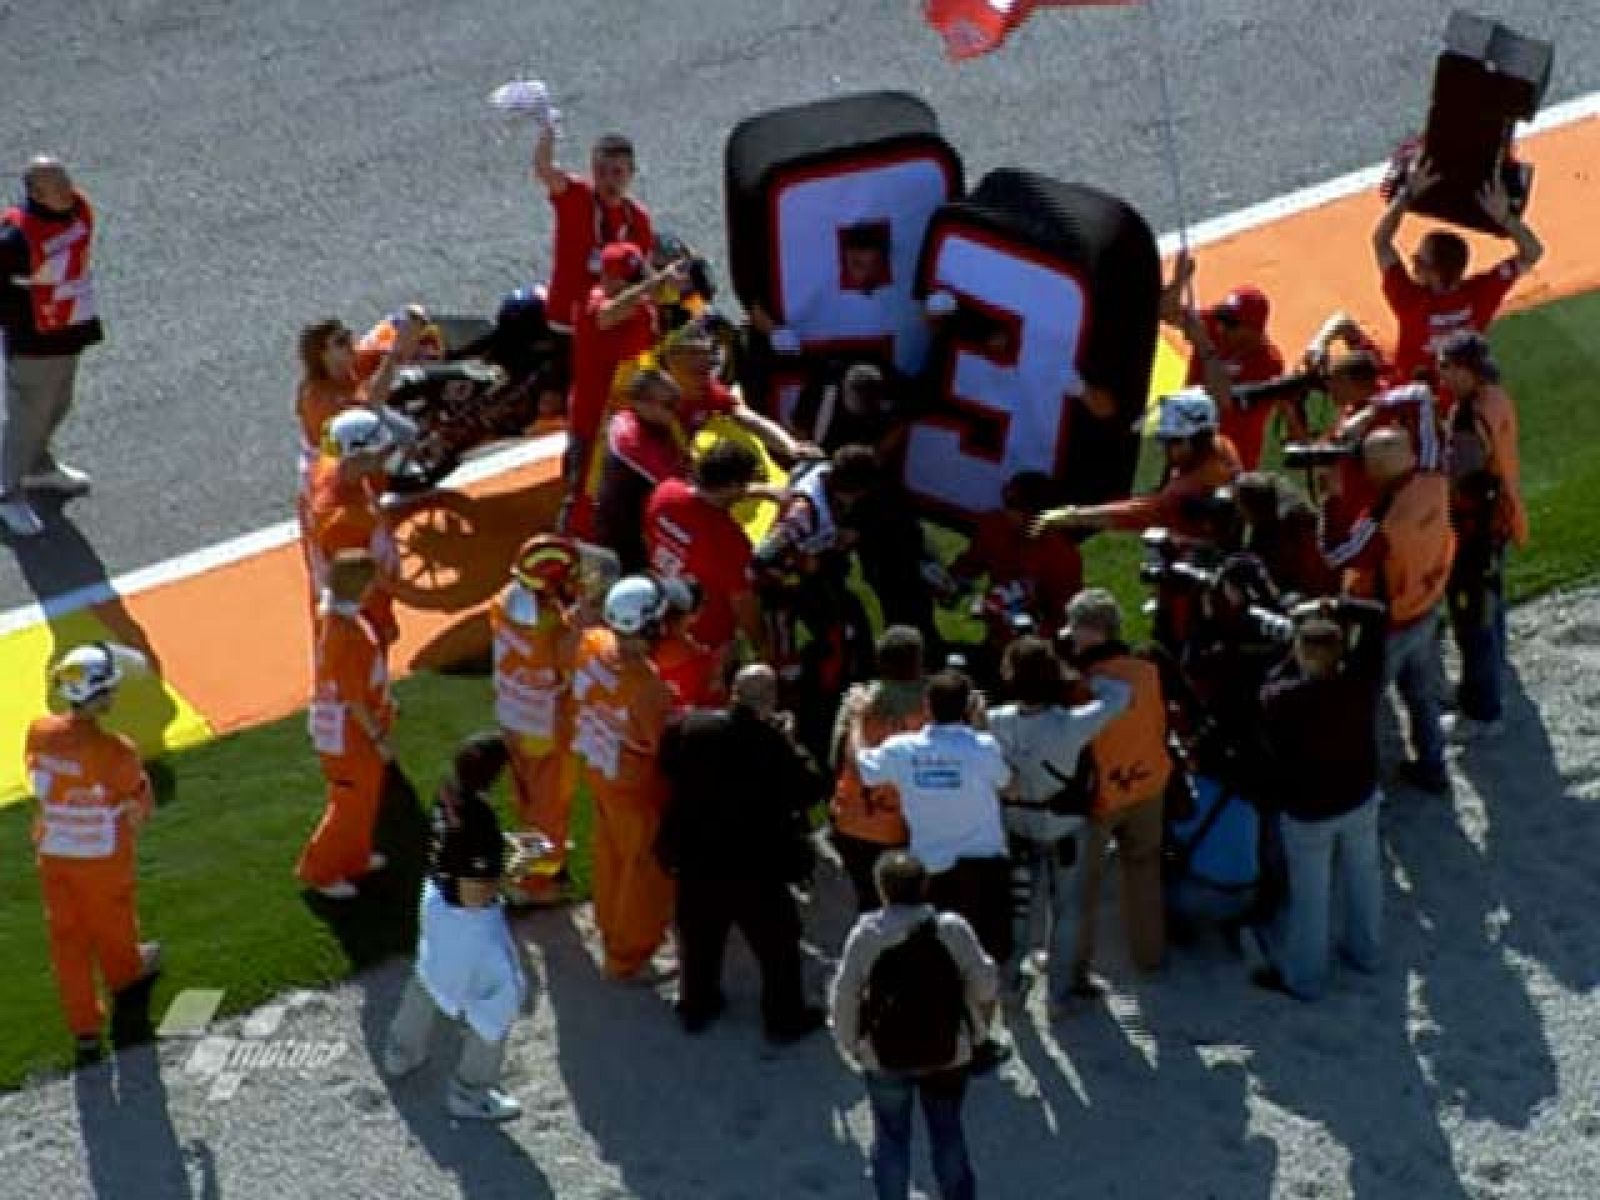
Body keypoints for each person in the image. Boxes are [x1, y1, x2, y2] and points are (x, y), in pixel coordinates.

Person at [657, 664, 828, 1040]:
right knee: (778, 942)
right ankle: (784, 1018)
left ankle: (697, 1006)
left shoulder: (690, 727)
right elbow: (810, 788)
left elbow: (666, 764)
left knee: (699, 937)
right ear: (768, 701)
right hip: (755, 861)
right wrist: (790, 741)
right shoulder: (770, 741)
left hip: (695, 854)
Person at [1244, 598, 1389, 1000]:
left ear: (1302, 654)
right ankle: (1367, 952)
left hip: (1309, 811)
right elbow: (1377, 617)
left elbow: (1268, 687)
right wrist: (1338, 605)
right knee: (1365, 876)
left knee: (1311, 894)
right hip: (1359, 798)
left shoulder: (1285, 701)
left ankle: (1306, 979)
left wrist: (1295, 645)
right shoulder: (1362, 680)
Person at [830, 851, 996, 1200]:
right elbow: (984, 986)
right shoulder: (952, 929)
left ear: (881, 890)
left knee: (890, 1139)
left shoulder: (866, 935)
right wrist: (980, 1034)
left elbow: (844, 998)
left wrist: (853, 1046)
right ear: (925, 885)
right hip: (948, 1052)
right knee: (947, 1133)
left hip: (883, 1055)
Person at [26, 641, 161, 1062]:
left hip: (53, 855)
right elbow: (140, 811)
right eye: (110, 690)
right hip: (102, 860)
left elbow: (38, 779)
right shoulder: (117, 751)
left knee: (68, 941)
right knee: (114, 926)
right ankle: (126, 977)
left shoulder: (39, 731)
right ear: (97, 695)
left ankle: (84, 1027)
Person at [383, 734, 528, 1121]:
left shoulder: (449, 789)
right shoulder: (479, 820)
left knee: (432, 974)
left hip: (435, 900)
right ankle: (471, 1091)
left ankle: (401, 1052)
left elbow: (455, 846)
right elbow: (476, 893)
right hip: (467, 921)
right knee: (500, 997)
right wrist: (516, 870)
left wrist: (502, 845)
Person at [987, 637, 1131, 1018]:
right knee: (1066, 910)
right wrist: (1080, 676)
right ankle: (1058, 995)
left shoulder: (994, 721)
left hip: (1016, 825)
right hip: (1064, 827)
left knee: (1017, 912)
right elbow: (1121, 695)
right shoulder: (1070, 724)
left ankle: (1010, 989)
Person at [1320, 426, 1455, 793]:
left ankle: (1365, 788)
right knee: (1421, 695)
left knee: (1364, 708)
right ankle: (1433, 767)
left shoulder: (1383, 522)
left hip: (1388, 625)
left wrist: (1331, 499)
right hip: (1426, 606)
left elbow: (1336, 554)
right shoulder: (1434, 482)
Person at [853, 671, 1013, 967]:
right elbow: (1005, 782)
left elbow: (865, 767)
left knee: (941, 955)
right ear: (968, 707)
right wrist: (980, 726)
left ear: (927, 707)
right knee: (989, 954)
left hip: (932, 867)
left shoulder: (902, 749)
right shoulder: (984, 747)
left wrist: (857, 721)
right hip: (985, 866)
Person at [1062, 588, 1171, 993]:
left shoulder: (1086, 685)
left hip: (1104, 796)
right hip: (1149, 782)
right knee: (1144, 870)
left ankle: (1075, 967)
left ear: (1091, 631)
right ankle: (1150, 955)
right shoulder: (1148, 670)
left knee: (1083, 885)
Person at [571, 575, 679, 980]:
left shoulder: (592, 645)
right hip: (636, 789)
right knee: (642, 870)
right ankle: (627, 957)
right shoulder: (651, 691)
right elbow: (665, 748)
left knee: (610, 854)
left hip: (601, 772)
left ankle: (610, 926)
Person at [0, 158, 102, 537]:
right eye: (57, 187)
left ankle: (39, 468)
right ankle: (6, 492)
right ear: (37, 194)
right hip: (33, 341)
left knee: (59, 404)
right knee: (27, 417)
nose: (68, 190)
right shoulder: (14, 240)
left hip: (69, 328)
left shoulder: (76, 210)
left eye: (67, 181)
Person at [1372, 157, 1544, 382]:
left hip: (1412, 406)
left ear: (1434, 270)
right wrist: (1505, 217)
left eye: (1419, 259)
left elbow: (1381, 240)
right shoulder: (1480, 295)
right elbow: (1533, 252)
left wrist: (1407, 195)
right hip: (1462, 404)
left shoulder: (1410, 301)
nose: (1413, 261)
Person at [1436, 331, 1527, 741]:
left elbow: (1458, 479)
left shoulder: (1469, 418)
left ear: (1466, 370)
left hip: (1474, 532)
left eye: (1446, 367)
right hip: (1500, 518)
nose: (1441, 375)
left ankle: (1481, 712)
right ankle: (1492, 672)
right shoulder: (1495, 397)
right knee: (1491, 605)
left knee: (1472, 620)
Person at [563, 242, 680, 534]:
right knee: (583, 490)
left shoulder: (641, 304)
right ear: (610, 278)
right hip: (593, 417)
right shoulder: (595, 301)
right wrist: (653, 284)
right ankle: (569, 541)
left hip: (626, 412)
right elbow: (608, 315)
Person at [490, 535, 582, 903]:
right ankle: (536, 883)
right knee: (552, 806)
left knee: (527, 796)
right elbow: (572, 663)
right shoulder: (553, 628)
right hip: (547, 727)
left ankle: (532, 859)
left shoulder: (502, 603)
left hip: (512, 715)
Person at [298, 550, 394, 899]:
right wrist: (379, 737)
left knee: (363, 800)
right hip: (349, 733)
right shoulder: (347, 634)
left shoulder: (337, 619)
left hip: (345, 727)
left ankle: (354, 858)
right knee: (350, 803)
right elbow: (353, 698)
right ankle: (319, 870)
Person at [1032, 388, 1241, 540]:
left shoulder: (1186, 490)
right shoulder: (1221, 447)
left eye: (1174, 441)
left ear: (1198, 440)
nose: (1166, 450)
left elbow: (1133, 513)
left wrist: (1072, 517)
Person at [645, 438, 768, 669]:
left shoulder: (665, 493)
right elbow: (743, 603)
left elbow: (648, 537)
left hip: (661, 617)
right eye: (745, 484)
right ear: (732, 486)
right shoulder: (730, 540)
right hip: (707, 644)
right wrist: (761, 647)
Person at [1162, 256, 1294, 469]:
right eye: (1222, 317)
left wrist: (1204, 346)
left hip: (1229, 464)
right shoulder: (1216, 326)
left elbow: (1223, 399)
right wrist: (1179, 279)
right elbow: (1167, 312)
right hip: (1189, 450)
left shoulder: (1268, 365)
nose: (1222, 326)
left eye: (1231, 323)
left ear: (1254, 330)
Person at [829, 626, 928, 913]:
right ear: (919, 661)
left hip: (856, 820)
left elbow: (835, 758)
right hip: (908, 824)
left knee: (868, 901)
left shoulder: (858, 701)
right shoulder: (931, 702)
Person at [532, 115, 654, 337]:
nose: (608, 180)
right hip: (567, 321)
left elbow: (639, 273)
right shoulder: (578, 197)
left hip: (608, 321)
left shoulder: (637, 218)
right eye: (600, 172)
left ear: (632, 172)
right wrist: (547, 131)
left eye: (617, 172)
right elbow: (545, 169)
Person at [302, 408, 402, 647]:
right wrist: (383, 619)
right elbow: (359, 581)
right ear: (357, 456)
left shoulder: (329, 466)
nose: (385, 457)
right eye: (380, 452)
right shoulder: (344, 523)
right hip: (366, 611)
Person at [949, 469, 1084, 642]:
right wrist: (951, 584)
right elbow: (968, 566)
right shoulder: (994, 527)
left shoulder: (1062, 556)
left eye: (1012, 504)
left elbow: (1065, 618)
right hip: (995, 637)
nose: (1005, 509)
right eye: (1006, 501)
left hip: (1037, 647)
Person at [593, 367, 690, 573]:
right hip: (626, 538)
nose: (676, 410)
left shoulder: (652, 421)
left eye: (677, 401)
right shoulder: (631, 437)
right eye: (669, 405)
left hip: (644, 523)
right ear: (641, 403)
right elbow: (675, 483)